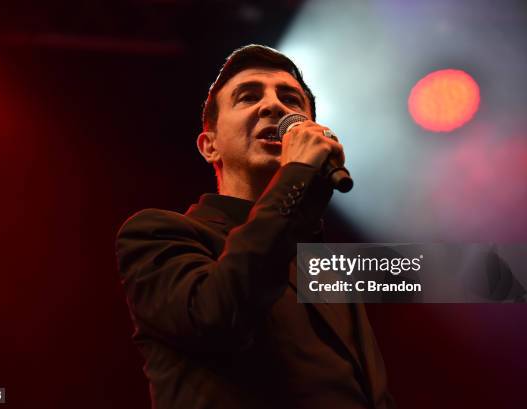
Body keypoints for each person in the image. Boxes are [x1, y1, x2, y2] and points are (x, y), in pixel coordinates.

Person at [116, 44, 395, 409]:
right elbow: (217, 315)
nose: (274, 106)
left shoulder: (323, 265)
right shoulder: (158, 233)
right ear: (209, 146)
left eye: (291, 100)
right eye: (248, 97)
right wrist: (295, 176)